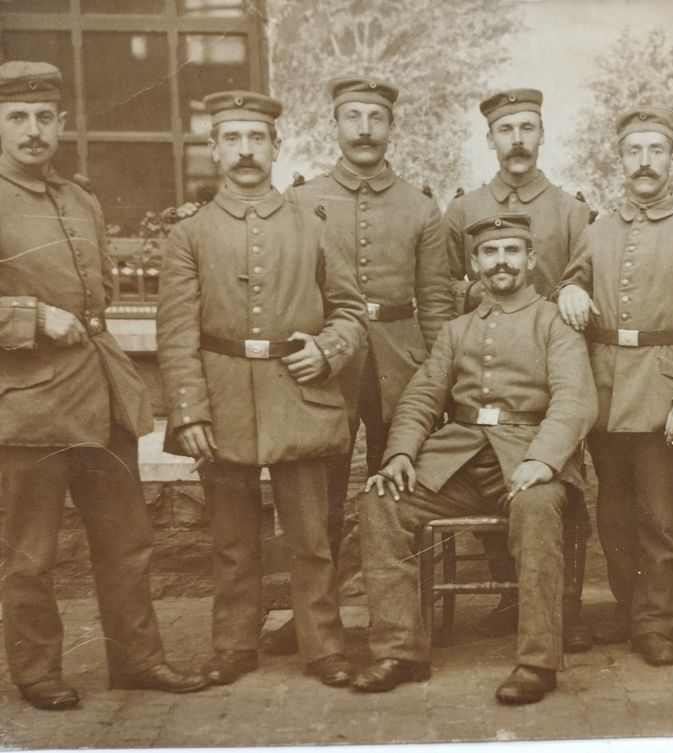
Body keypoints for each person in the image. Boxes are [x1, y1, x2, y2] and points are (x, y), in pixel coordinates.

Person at [0, 60, 207, 710]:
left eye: (43, 117)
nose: (32, 130)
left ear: (61, 122)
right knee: (30, 553)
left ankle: (138, 660)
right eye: (16, 117)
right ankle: (37, 672)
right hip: (30, 407)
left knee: (127, 541)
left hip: (103, 397)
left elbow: (104, 291)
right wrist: (33, 317)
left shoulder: (80, 199)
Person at [156, 90, 367, 688]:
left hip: (299, 396)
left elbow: (351, 313)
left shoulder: (312, 227)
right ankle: (234, 644)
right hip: (222, 401)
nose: (246, 150)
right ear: (214, 149)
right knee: (231, 539)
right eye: (233, 139)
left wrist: (327, 350)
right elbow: (176, 333)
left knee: (311, 537)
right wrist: (190, 412)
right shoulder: (189, 235)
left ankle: (323, 646)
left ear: (276, 146)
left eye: (257, 138)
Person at [354, 214, 597, 705]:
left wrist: (544, 460)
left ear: (531, 260)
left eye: (512, 251)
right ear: (475, 263)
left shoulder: (555, 322)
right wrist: (399, 454)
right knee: (381, 502)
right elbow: (421, 396)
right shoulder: (457, 329)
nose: (501, 262)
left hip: (529, 456)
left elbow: (574, 399)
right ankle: (400, 651)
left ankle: (537, 662)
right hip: (460, 461)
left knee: (535, 507)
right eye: (490, 252)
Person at [260, 76, 452, 655]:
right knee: (318, 498)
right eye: (353, 117)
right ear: (335, 125)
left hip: (402, 363)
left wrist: (441, 377)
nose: (364, 129)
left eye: (376, 117)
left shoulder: (421, 207)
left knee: (399, 491)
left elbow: (435, 302)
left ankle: (401, 618)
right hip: (326, 363)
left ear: (391, 127)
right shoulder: (301, 200)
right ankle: (314, 619)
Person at [557, 106, 673, 666]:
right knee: (614, 514)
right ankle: (629, 607)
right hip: (606, 391)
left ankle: (656, 622)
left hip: (663, 393)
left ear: (672, 158)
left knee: (660, 517)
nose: (645, 162)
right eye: (635, 151)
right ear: (621, 159)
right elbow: (573, 279)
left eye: (657, 150)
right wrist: (570, 289)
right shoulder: (597, 230)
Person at [444, 87, 595, 651]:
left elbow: (586, 274)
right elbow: (445, 285)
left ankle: (561, 613)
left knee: (555, 484)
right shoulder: (463, 209)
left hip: (551, 366)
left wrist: (574, 288)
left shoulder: (571, 210)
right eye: (506, 129)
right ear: (490, 138)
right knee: (486, 467)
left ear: (542, 134)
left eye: (527, 127)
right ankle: (513, 600)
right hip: (486, 362)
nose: (517, 140)